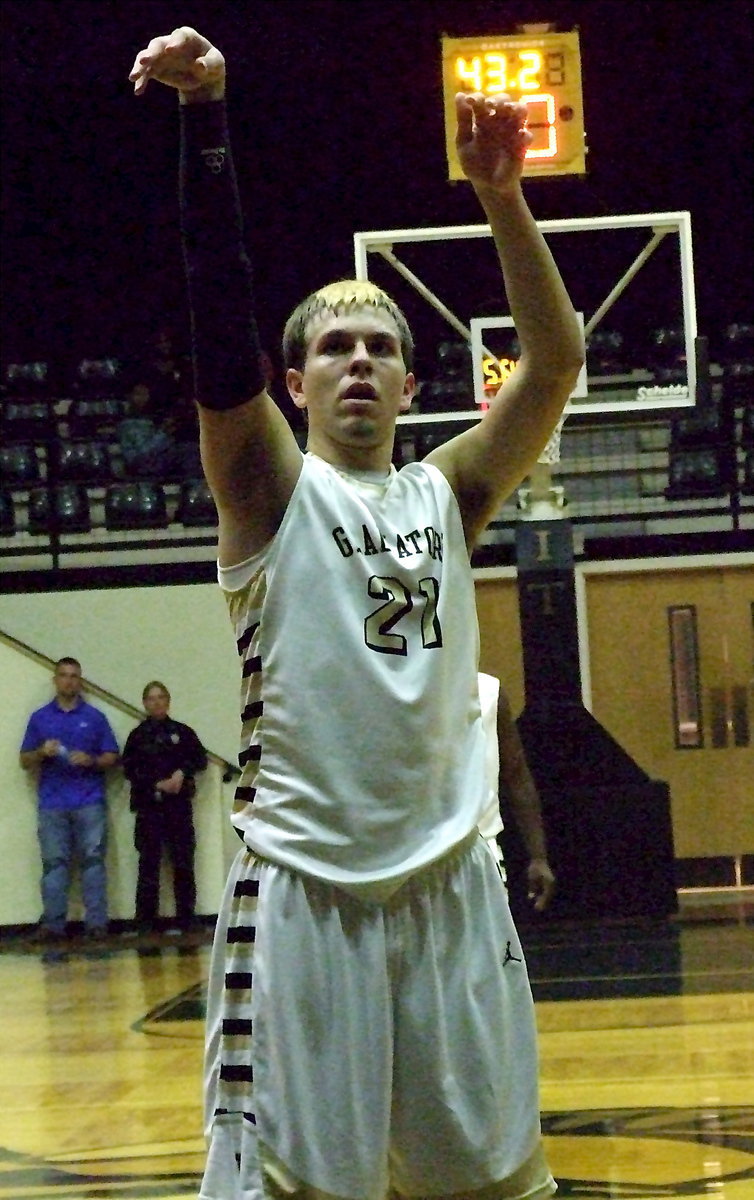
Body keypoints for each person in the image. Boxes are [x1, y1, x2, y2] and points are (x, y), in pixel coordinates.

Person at [129, 25, 583, 1200]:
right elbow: (218, 331)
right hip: (302, 894)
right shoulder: (272, 490)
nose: (360, 362)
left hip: (445, 888)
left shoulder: (451, 492)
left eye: (382, 347)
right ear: (296, 383)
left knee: (489, 1179)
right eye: (333, 347)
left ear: (413, 381)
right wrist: (208, 120)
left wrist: (501, 200)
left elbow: (553, 362)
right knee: (294, 1184)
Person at [19, 657, 120, 943]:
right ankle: (53, 925)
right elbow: (24, 760)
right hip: (52, 803)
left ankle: (97, 925)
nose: (69, 681)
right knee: (54, 864)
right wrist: (41, 753)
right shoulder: (39, 718)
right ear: (55, 680)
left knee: (93, 862)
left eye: (74, 676)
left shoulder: (96, 717)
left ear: (80, 681)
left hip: (90, 801)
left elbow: (113, 756)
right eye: (63, 675)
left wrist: (92, 760)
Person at [122, 680, 208, 934]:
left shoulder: (183, 732)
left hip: (179, 808)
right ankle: (146, 922)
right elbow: (129, 769)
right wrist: (156, 784)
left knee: (183, 863)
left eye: (161, 697)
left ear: (168, 701)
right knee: (149, 864)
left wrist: (182, 774)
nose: (157, 702)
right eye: (151, 698)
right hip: (149, 808)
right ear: (145, 703)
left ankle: (187, 919)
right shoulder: (137, 736)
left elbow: (199, 759)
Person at [477, 673, 555, 911]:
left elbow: (516, 773)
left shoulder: (488, 691)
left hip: (477, 852)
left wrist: (539, 856)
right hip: (411, 854)